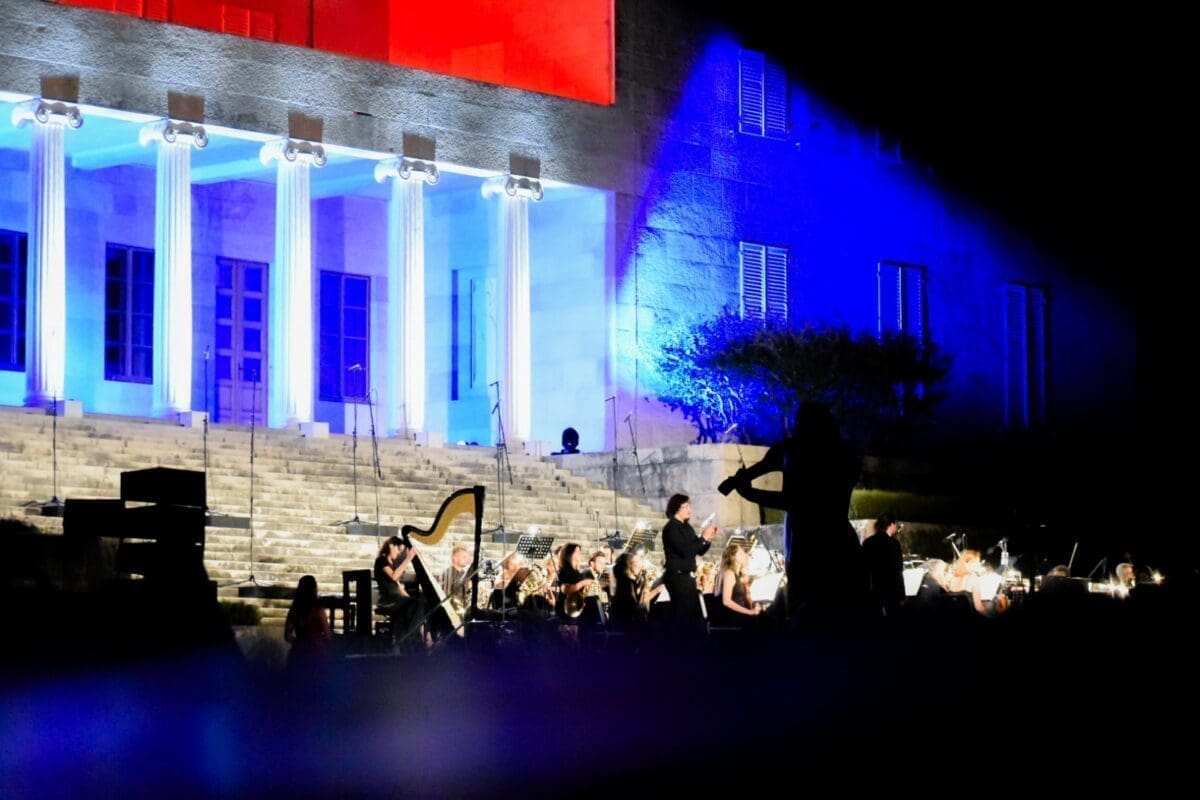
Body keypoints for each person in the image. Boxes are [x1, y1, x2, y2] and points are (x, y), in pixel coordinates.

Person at [718, 402, 867, 621]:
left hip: (806, 542)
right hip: (839, 538)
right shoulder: (846, 456)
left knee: (808, 612)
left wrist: (748, 491)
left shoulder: (792, 450)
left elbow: (794, 500)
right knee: (844, 614)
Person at [661, 493, 717, 631]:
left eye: (689, 506)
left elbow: (698, 550)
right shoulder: (672, 528)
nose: (689, 510)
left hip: (687, 576)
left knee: (690, 614)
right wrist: (703, 538)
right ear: (676, 508)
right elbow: (686, 551)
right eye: (685, 507)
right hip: (677, 576)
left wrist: (707, 540)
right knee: (682, 614)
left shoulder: (687, 527)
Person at [374, 536, 422, 640]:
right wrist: (409, 557)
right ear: (391, 546)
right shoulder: (381, 560)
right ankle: (409, 637)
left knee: (416, 605)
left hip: (396, 598)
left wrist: (409, 598)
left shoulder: (392, 564)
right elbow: (394, 576)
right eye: (398, 549)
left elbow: (399, 586)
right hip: (388, 600)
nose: (399, 553)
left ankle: (407, 638)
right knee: (417, 605)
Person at [284, 574, 332, 671]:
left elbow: (287, 635)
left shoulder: (294, 610)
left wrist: (299, 643)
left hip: (299, 653)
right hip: (317, 653)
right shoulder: (318, 609)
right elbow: (327, 634)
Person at [862, 512, 905, 618]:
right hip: (891, 592)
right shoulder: (894, 544)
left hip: (873, 592)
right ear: (891, 524)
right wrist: (901, 596)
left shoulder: (868, 542)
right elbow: (898, 571)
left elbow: (863, 569)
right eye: (896, 524)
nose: (897, 527)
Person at [712, 543, 764, 627]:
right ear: (733, 557)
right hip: (732, 618)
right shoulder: (729, 574)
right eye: (741, 553)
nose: (745, 555)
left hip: (738, 616)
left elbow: (744, 598)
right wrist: (749, 612)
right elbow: (726, 601)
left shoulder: (738, 575)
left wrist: (755, 607)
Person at [441, 545, 472, 617]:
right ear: (454, 557)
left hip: (463, 609)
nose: (467, 560)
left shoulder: (464, 574)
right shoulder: (448, 573)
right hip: (452, 611)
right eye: (464, 557)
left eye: (467, 557)